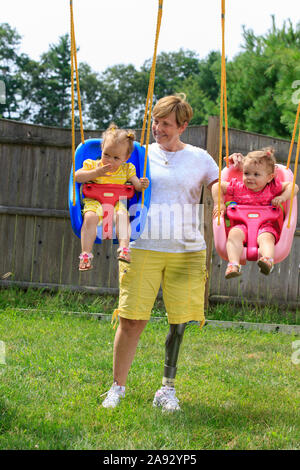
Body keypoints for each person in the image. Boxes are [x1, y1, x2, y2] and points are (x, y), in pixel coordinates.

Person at [102, 94, 219, 411]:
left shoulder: (201, 158)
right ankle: (117, 388)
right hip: (142, 248)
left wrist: (234, 168)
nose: (158, 128)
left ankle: (166, 390)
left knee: (178, 323)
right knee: (131, 321)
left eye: (166, 124)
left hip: (187, 250)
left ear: (182, 126)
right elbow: (105, 169)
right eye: (155, 121)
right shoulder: (139, 155)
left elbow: (224, 186)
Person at [212, 147, 299, 279]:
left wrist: (283, 197)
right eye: (246, 173)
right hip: (241, 226)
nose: (250, 178)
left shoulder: (273, 188)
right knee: (233, 236)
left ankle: (267, 260)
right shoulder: (238, 187)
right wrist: (220, 203)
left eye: (256, 175)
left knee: (266, 238)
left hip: (266, 226)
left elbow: (293, 187)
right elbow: (216, 186)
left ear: (270, 177)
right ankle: (233, 264)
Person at [75, 124, 149, 270]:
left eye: (116, 158)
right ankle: (85, 255)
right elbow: (77, 177)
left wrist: (142, 184)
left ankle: (124, 249)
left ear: (126, 158)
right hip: (94, 203)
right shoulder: (92, 165)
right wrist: (96, 173)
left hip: (116, 203)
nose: (110, 160)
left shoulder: (128, 169)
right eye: (106, 155)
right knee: (90, 217)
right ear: (102, 148)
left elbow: (137, 186)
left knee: (122, 215)